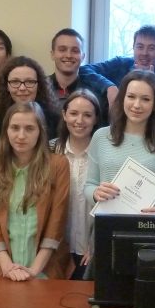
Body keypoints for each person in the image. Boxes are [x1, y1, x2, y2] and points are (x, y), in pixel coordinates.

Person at [0, 101, 70, 280]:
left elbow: (57, 222)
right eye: (15, 128)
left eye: (29, 129)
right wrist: (8, 267)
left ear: (40, 132)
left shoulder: (58, 165)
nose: (21, 136)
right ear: (6, 130)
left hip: (44, 264)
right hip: (4, 264)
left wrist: (34, 271)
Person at [86, 70, 155, 216]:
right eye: (131, 97)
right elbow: (89, 185)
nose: (137, 105)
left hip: (147, 226)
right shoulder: (100, 136)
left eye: (145, 99)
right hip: (106, 225)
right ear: (122, 98)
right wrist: (95, 193)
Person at [51, 89, 101, 279]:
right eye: (73, 113)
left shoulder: (104, 156)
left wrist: (96, 244)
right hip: (55, 249)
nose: (79, 120)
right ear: (64, 115)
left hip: (90, 249)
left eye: (87, 115)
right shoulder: (49, 151)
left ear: (96, 119)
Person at [47, 28, 116, 128]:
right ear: (52, 54)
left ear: (83, 56)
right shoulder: (40, 89)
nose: (68, 55)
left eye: (75, 51)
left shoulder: (98, 95)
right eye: (62, 50)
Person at [0, 55, 58, 137]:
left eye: (29, 82)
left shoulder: (54, 121)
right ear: (6, 86)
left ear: (39, 86)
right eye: (15, 82)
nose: (22, 88)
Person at [89, 24, 155, 85]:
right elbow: (85, 70)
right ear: (133, 48)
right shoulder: (120, 64)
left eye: (151, 48)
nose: (144, 53)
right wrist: (109, 87)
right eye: (140, 47)